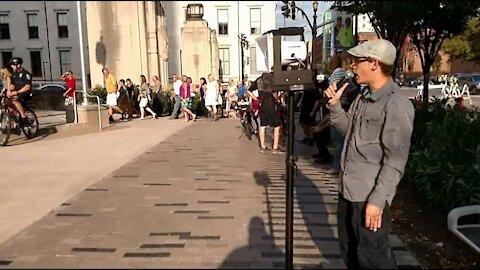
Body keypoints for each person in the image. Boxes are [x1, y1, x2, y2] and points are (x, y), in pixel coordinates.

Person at [324, 39, 415, 269]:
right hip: (348, 191)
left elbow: (395, 160)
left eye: (357, 61)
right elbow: (350, 133)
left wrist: (377, 201)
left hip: (369, 196)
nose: (353, 65)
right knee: (350, 252)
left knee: (374, 258)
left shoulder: (396, 104)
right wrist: (335, 107)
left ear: (374, 63)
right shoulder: (363, 97)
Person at [255, 77, 283, 154]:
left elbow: (248, 90)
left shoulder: (259, 81)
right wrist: (278, 100)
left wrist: (255, 99)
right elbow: (274, 93)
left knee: (262, 125)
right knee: (276, 126)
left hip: (262, 105)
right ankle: (275, 147)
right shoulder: (272, 80)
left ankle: (263, 146)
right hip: (272, 105)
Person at [7, 57, 32, 123]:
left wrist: (17, 92)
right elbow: (12, 84)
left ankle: (23, 116)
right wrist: (9, 90)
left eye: (13, 65)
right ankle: (12, 123)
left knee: (15, 100)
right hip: (16, 92)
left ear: (18, 65)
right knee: (7, 102)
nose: (12, 67)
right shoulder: (13, 74)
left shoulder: (26, 74)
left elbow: (27, 87)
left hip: (25, 93)